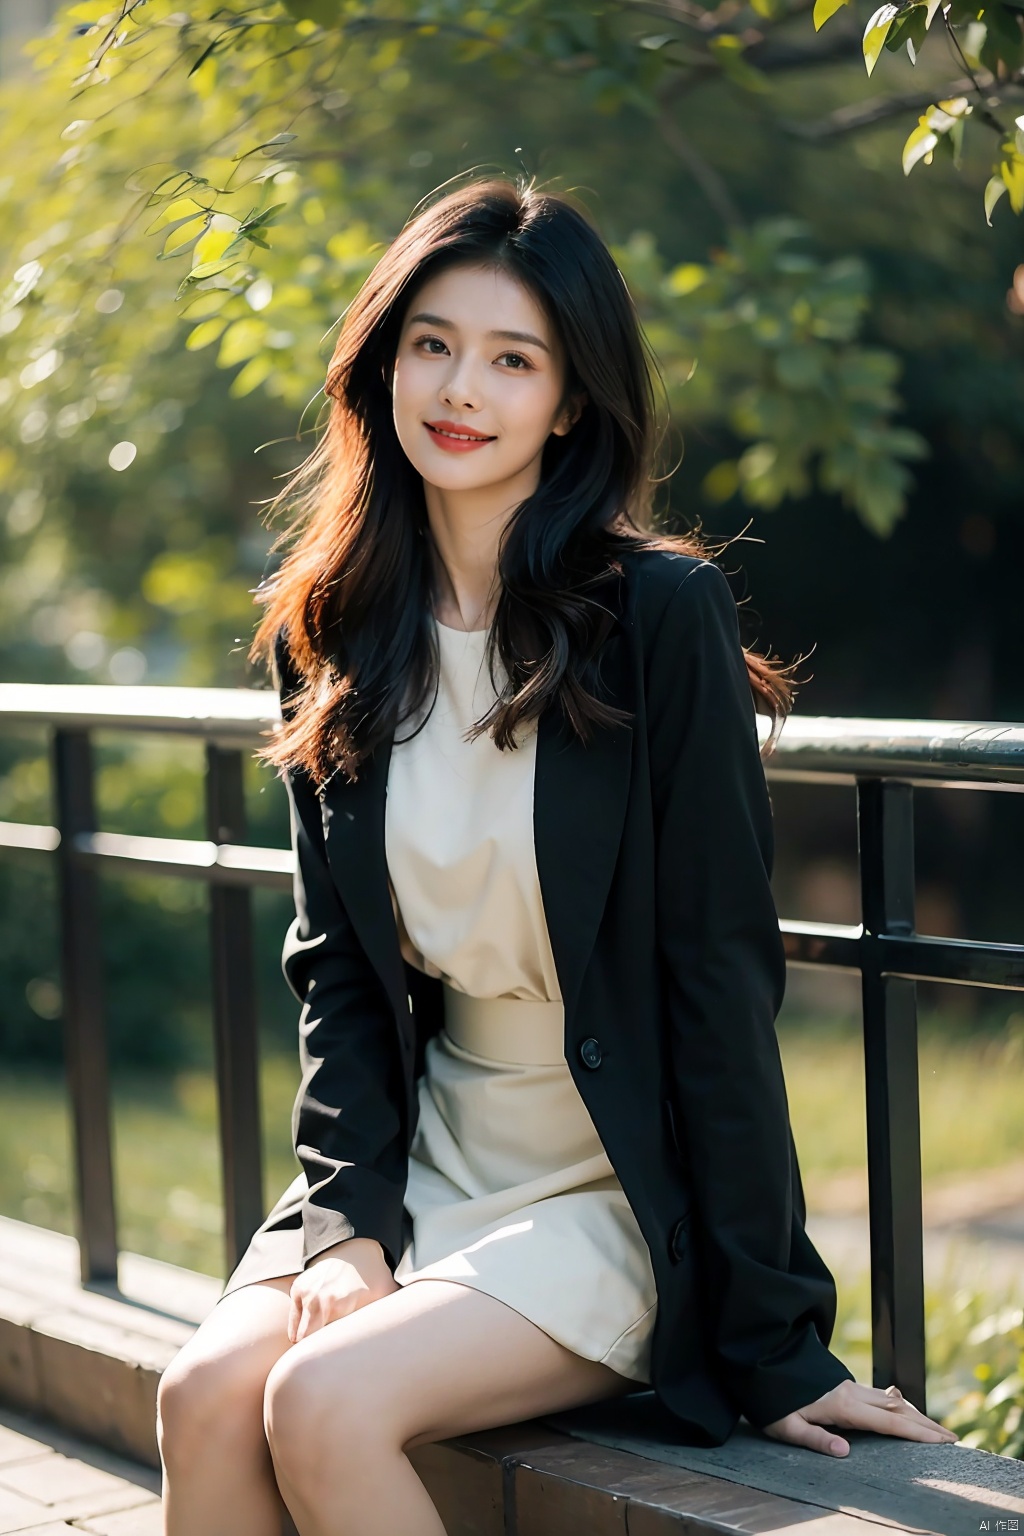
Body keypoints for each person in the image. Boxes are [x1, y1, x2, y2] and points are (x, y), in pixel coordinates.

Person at [155, 176, 956, 1536]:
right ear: (384, 361)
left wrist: (773, 1340)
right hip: (420, 1159)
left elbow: (717, 978)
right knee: (202, 1397)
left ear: (571, 401)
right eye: (432, 343)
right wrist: (351, 1225)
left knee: (324, 1403)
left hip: (607, 1188)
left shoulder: (658, 616)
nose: (461, 388)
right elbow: (339, 973)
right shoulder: (331, 628)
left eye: (512, 359)